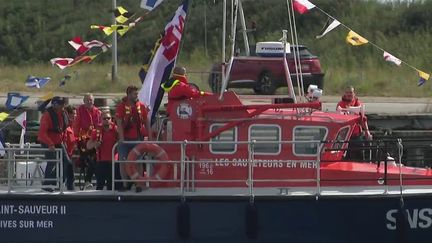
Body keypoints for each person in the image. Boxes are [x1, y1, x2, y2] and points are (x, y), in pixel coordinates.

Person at [115, 85, 149, 189]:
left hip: (137, 138)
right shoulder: (121, 107)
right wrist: (122, 139)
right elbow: (119, 123)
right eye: (134, 94)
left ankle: (138, 184)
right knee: (123, 161)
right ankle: (125, 184)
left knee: (138, 162)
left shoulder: (141, 106)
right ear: (129, 94)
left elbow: (146, 122)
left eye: (136, 93)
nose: (136, 95)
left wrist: (149, 137)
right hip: (125, 139)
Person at [38, 96, 71, 191]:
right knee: (52, 161)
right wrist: (50, 144)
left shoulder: (63, 113)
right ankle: (46, 184)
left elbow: (64, 129)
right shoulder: (47, 115)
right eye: (61, 104)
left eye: (63, 104)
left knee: (67, 162)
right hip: (46, 141)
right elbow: (42, 133)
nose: (63, 106)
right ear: (55, 105)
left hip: (59, 141)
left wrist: (64, 140)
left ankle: (58, 181)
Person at [74, 93, 102, 190]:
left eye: (91, 100)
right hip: (83, 140)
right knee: (90, 159)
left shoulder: (98, 112)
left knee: (95, 159)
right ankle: (88, 181)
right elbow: (76, 126)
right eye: (87, 100)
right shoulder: (80, 111)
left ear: (93, 101)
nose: (89, 101)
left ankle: (94, 181)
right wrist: (76, 139)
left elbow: (99, 126)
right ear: (84, 101)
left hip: (94, 139)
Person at [87, 112, 117, 190]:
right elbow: (88, 145)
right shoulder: (96, 131)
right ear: (101, 120)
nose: (107, 120)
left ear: (111, 119)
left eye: (108, 118)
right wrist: (95, 144)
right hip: (101, 161)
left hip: (113, 161)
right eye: (104, 118)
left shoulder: (116, 129)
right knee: (100, 184)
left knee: (111, 185)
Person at [63, 105, 77, 190]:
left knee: (69, 172)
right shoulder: (65, 125)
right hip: (65, 154)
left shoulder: (72, 126)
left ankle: (70, 187)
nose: (75, 115)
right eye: (73, 113)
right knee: (68, 171)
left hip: (70, 154)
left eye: (75, 114)